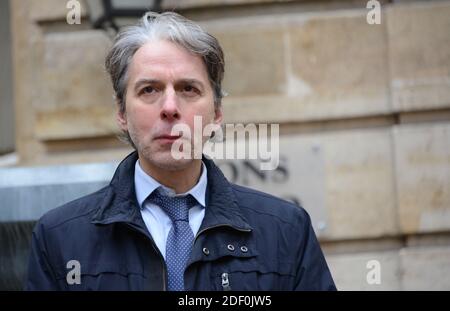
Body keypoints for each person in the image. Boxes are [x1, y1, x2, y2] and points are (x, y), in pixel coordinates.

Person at [26, 11, 336, 291]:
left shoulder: (285, 231)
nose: (170, 108)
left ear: (216, 113)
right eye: (149, 90)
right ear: (122, 112)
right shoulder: (60, 238)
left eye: (188, 89)